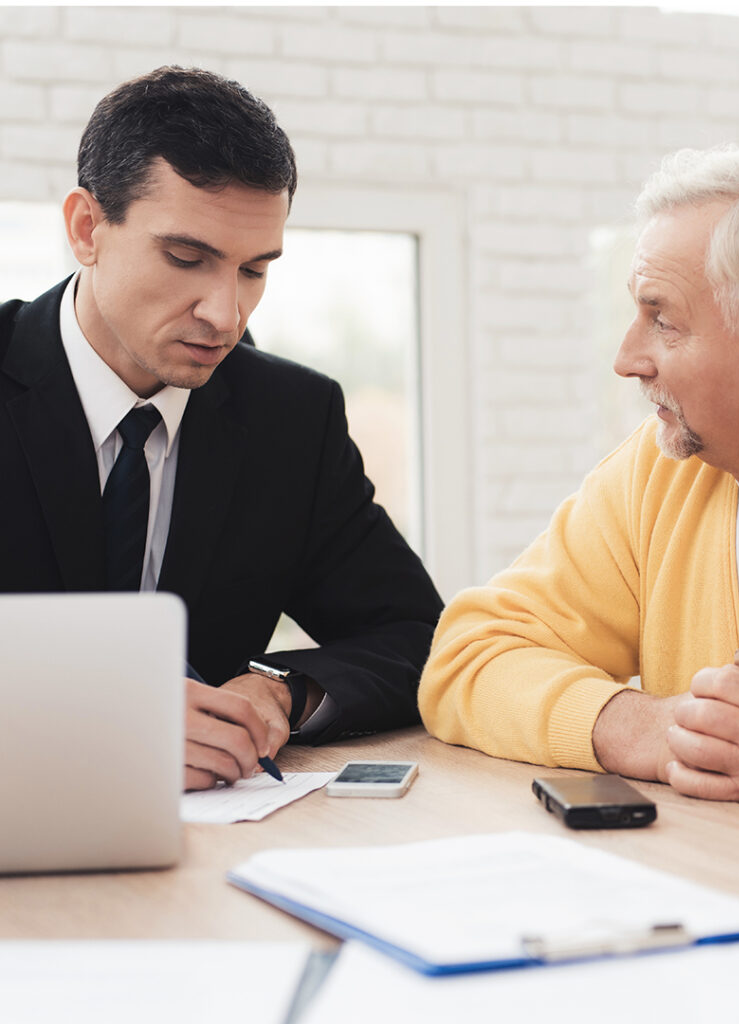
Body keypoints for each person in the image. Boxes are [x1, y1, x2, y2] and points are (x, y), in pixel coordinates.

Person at [419, 145, 739, 802]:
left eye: (660, 318)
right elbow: (468, 659)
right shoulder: (661, 473)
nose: (626, 359)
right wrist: (655, 728)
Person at [0, 66, 443, 790]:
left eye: (254, 270)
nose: (225, 313)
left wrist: (276, 691)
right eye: (186, 258)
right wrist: (107, 712)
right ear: (86, 229)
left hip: (216, 847)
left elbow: (419, 639)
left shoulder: (292, 421)